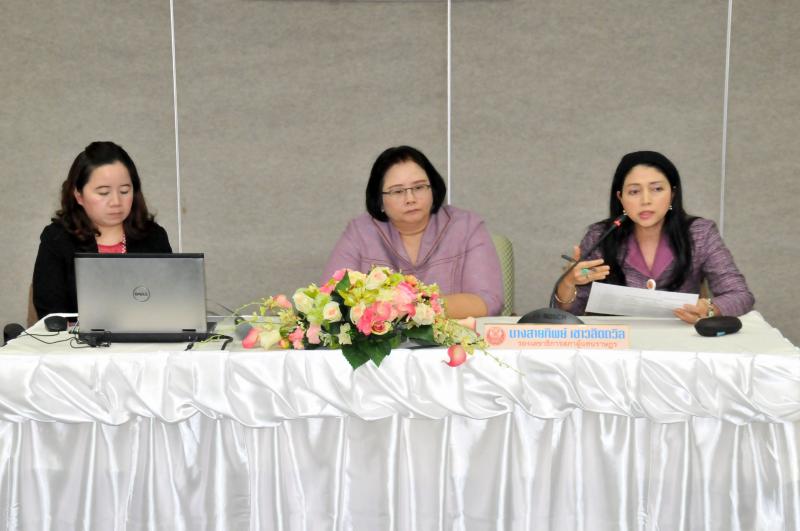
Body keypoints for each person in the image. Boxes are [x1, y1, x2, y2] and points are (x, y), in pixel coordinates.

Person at [555, 150, 754, 324]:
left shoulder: (700, 233)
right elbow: (568, 314)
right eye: (634, 191)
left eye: (657, 189)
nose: (646, 200)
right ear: (620, 198)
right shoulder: (600, 236)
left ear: (672, 194)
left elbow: (740, 295)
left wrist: (709, 309)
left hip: (681, 343)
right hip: (619, 346)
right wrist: (568, 282)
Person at [323, 145, 503, 318]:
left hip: (455, 338)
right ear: (379, 200)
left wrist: (416, 308)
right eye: (397, 191)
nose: (410, 199)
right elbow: (332, 299)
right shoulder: (360, 232)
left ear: (433, 189)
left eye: (418, 187)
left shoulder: (466, 227)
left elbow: (488, 300)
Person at [32, 141, 172, 318]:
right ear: (79, 196)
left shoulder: (153, 237)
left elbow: (170, 303)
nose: (116, 202)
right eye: (104, 193)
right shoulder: (57, 239)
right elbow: (51, 312)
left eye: (124, 191)